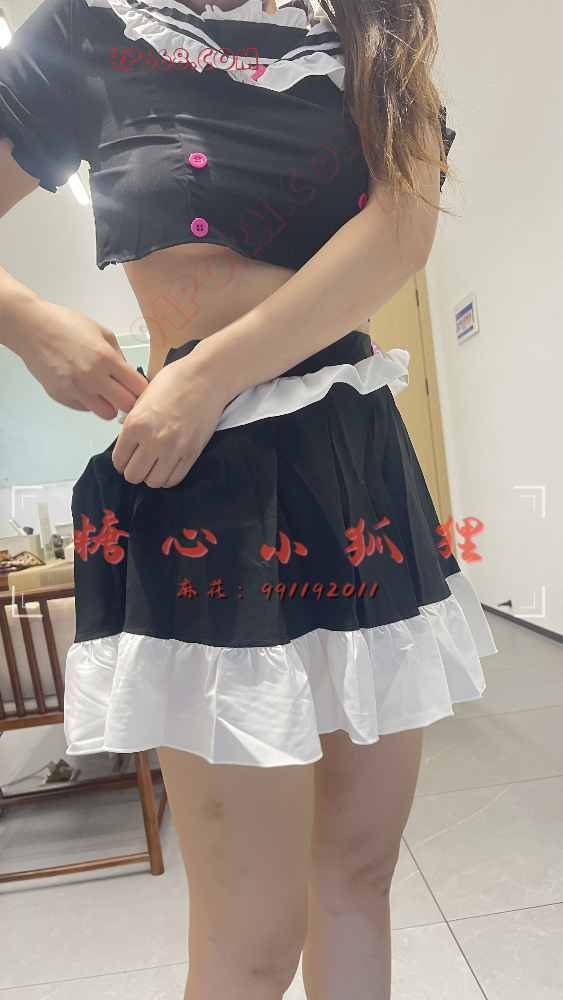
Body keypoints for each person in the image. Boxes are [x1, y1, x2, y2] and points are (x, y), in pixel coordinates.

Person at [0, 1, 497, 997]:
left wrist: (210, 371)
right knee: (252, 931)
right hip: (205, 480)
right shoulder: (86, 30)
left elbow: (400, 232)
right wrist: (26, 320)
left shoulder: (371, 28)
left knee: (358, 875)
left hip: (354, 465)